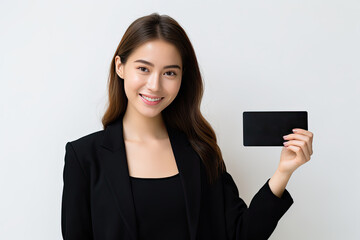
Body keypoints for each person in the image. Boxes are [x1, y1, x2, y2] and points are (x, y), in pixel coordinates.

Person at [61, 13, 314, 240]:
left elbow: (240, 234)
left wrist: (283, 172)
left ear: (183, 78)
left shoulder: (200, 152)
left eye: (169, 73)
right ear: (120, 67)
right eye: (143, 69)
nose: (154, 85)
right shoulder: (84, 158)